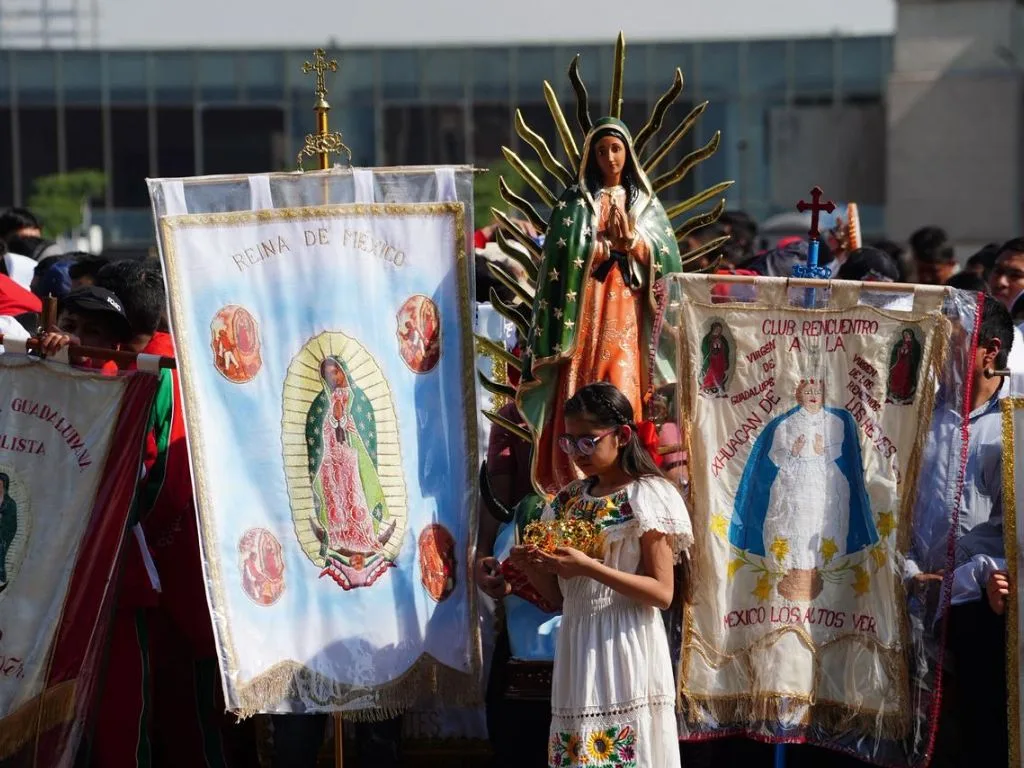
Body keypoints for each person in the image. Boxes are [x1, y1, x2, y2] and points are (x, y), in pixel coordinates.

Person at [510, 382, 692, 768]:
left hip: (627, 643)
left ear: (622, 436)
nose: (578, 454)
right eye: (570, 442)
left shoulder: (649, 496)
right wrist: (532, 567)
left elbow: (662, 593)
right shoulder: (566, 501)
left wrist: (591, 568)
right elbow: (560, 599)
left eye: (588, 441)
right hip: (578, 643)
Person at [520, 117, 684, 494]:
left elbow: (667, 259)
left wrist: (636, 246)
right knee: (584, 387)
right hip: (585, 315)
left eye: (616, 149)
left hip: (628, 313)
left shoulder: (645, 205)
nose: (610, 157)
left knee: (623, 387)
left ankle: (627, 471)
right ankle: (573, 478)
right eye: (602, 150)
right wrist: (600, 248)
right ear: (591, 157)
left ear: (628, 154)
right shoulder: (576, 204)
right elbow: (559, 262)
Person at [730, 379, 877, 599]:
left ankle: (818, 572)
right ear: (799, 395)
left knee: (821, 522)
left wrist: (822, 451)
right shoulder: (786, 422)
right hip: (796, 479)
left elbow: (838, 452)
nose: (813, 395)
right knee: (795, 521)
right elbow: (775, 456)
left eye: (817, 391)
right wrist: (794, 452)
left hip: (822, 478)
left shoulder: (834, 421)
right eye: (808, 391)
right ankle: (793, 570)